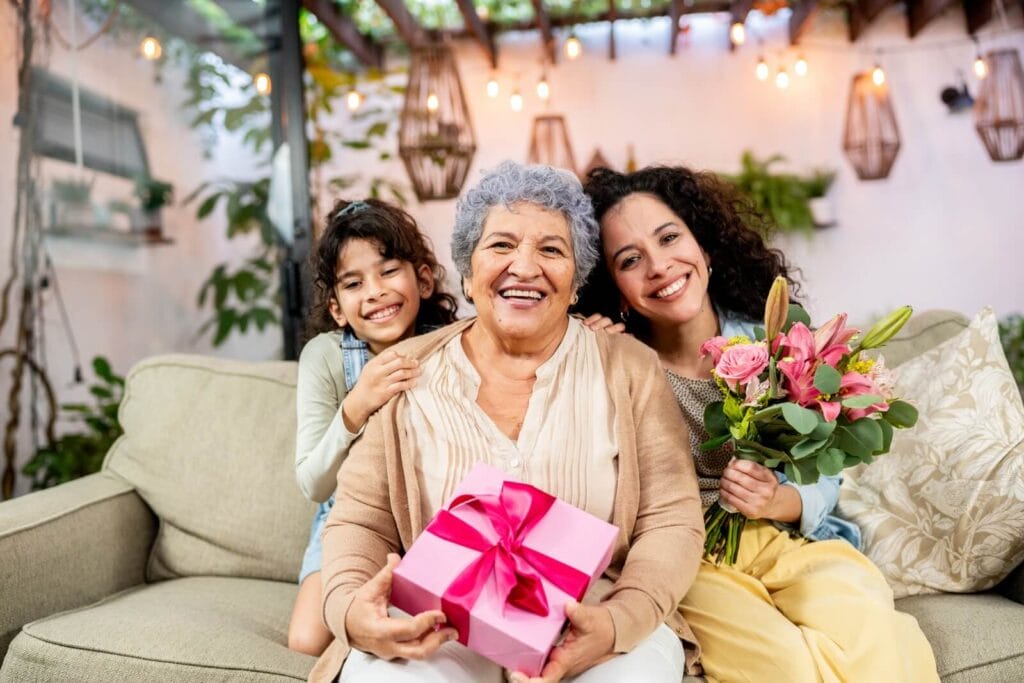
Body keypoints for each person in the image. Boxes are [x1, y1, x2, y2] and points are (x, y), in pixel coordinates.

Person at [307, 161, 705, 683]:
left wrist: (616, 621)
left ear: (576, 282)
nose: (524, 266)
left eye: (551, 250)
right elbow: (358, 520)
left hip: (591, 618)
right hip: (440, 622)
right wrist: (353, 614)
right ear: (468, 275)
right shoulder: (406, 370)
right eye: (500, 246)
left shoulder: (629, 369)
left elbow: (671, 518)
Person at [577, 164, 939, 682]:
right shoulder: (618, 366)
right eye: (630, 259)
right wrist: (590, 356)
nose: (658, 266)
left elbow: (823, 471)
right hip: (692, 561)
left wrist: (778, 500)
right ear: (614, 288)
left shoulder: (775, 343)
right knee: (784, 666)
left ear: (703, 248)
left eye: (669, 237)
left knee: (872, 629)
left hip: (784, 541)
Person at [288, 198, 458, 656]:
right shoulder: (325, 357)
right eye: (354, 282)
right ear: (338, 307)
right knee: (306, 640)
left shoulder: (456, 342)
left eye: (388, 271)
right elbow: (313, 483)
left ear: (422, 280)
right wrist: (356, 406)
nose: (376, 291)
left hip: (432, 512)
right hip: (353, 516)